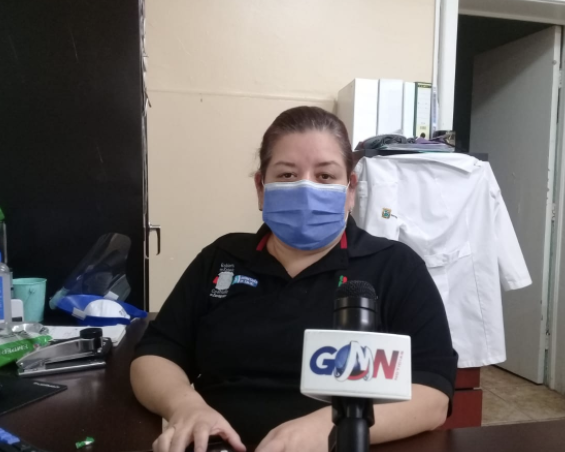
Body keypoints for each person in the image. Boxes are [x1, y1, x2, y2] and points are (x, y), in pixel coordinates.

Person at [131, 106, 458, 452]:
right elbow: (155, 354)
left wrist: (332, 426)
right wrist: (186, 408)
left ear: (350, 189)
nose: (306, 189)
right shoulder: (221, 259)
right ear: (261, 187)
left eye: (325, 176)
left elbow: (433, 393)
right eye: (287, 175)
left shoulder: (396, 267)